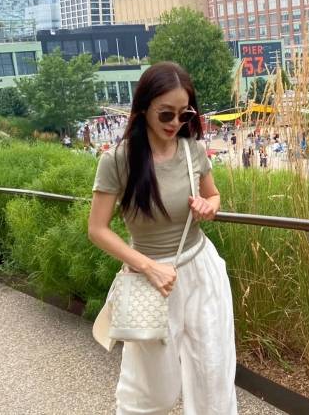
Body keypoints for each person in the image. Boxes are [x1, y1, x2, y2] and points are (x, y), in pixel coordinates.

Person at [88, 62, 237, 415]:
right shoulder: (117, 161)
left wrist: (208, 206)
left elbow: (214, 196)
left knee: (213, 375)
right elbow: (97, 229)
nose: (175, 123)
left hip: (201, 270)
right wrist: (147, 267)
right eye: (166, 114)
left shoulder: (192, 150)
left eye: (185, 115)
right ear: (143, 108)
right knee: (153, 391)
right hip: (151, 278)